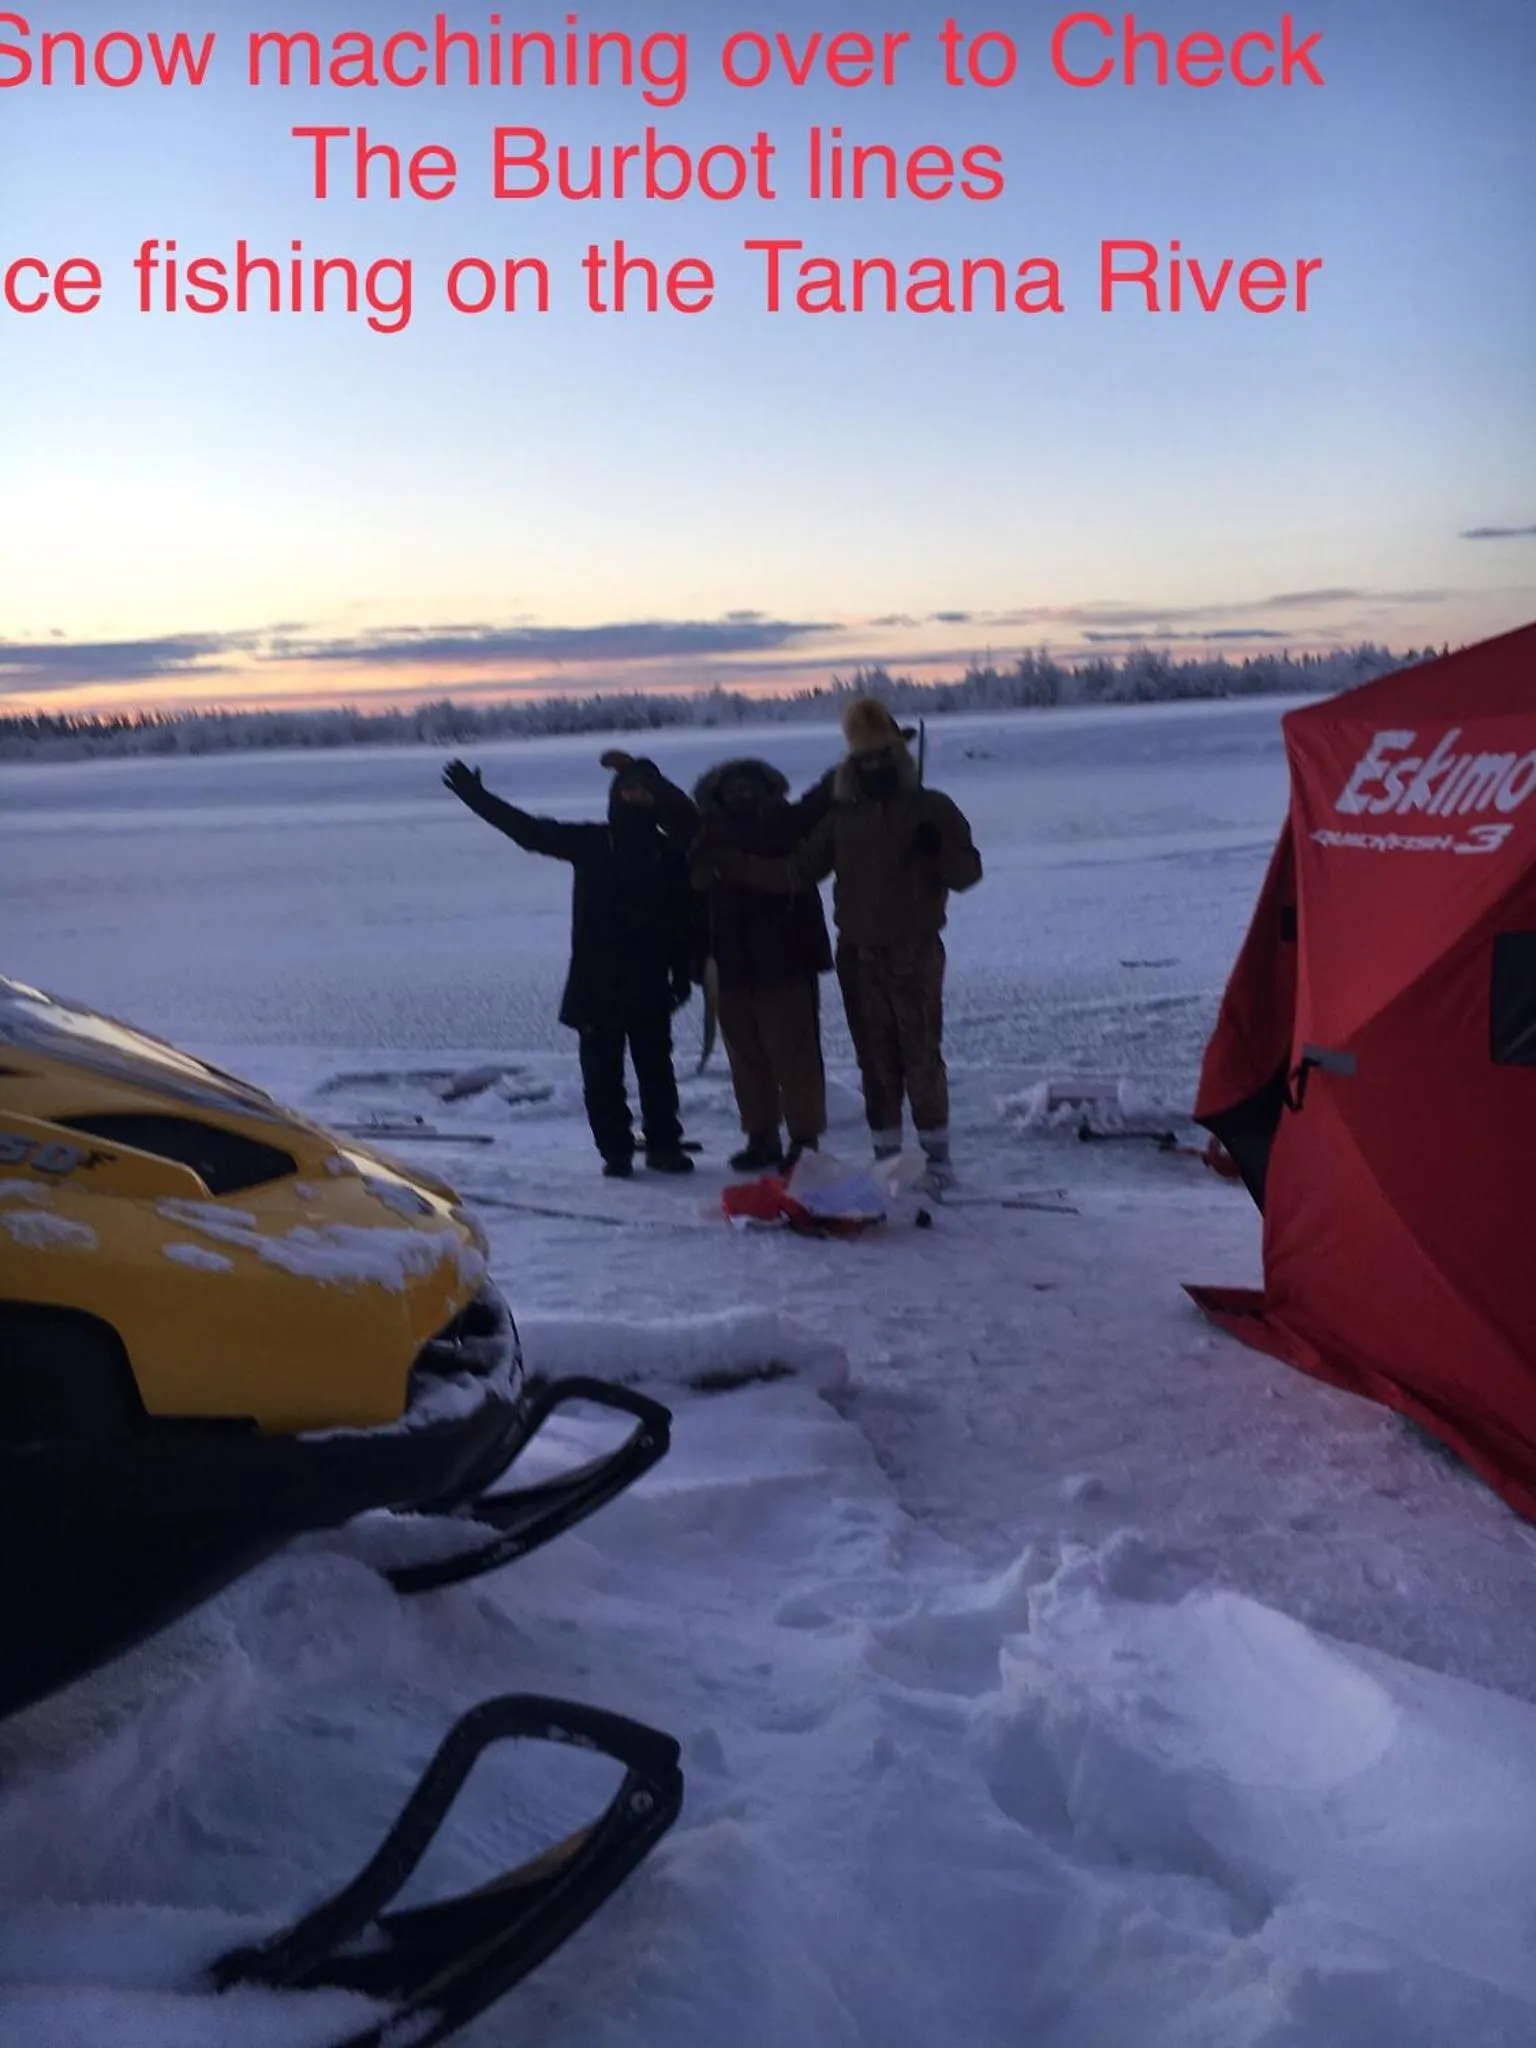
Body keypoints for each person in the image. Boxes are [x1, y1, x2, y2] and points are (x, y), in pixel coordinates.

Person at [694, 696, 982, 1190]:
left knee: (921, 1054)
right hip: (858, 955)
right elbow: (796, 870)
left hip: (915, 950)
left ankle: (937, 1158)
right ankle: (887, 1156)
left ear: (899, 757)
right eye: (864, 758)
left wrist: (940, 848)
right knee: (875, 1058)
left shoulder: (931, 808)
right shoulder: (842, 818)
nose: (874, 766)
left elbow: (967, 874)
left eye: (882, 757)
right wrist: (734, 865)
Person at [442, 755, 696, 1177]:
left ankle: (664, 1146)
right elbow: (528, 831)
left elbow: (685, 918)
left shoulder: (670, 852)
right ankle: (615, 1151)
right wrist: (478, 798)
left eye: (645, 790)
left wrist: (684, 972)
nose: (636, 796)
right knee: (601, 1075)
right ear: (615, 797)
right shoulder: (592, 842)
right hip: (596, 982)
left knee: (657, 1072)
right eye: (629, 789)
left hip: (651, 979)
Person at [601, 750, 836, 1173]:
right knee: (746, 1059)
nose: (741, 793)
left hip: (786, 963)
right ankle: (761, 1137)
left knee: (796, 1057)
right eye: (732, 788)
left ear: (768, 790)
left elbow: (825, 795)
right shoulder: (704, 830)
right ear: (716, 795)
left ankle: (805, 1141)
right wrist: (639, 774)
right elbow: (672, 808)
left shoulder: (788, 822)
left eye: (749, 786)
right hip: (727, 966)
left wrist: (868, 753)